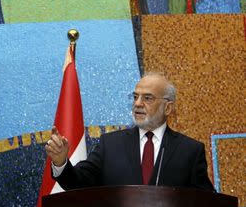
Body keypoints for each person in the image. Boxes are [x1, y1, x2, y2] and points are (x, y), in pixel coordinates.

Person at [46, 72, 214, 191]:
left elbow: (206, 204)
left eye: (147, 98)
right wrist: (61, 162)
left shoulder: (190, 151)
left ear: (168, 108)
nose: (138, 104)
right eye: (135, 97)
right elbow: (78, 183)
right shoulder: (110, 144)